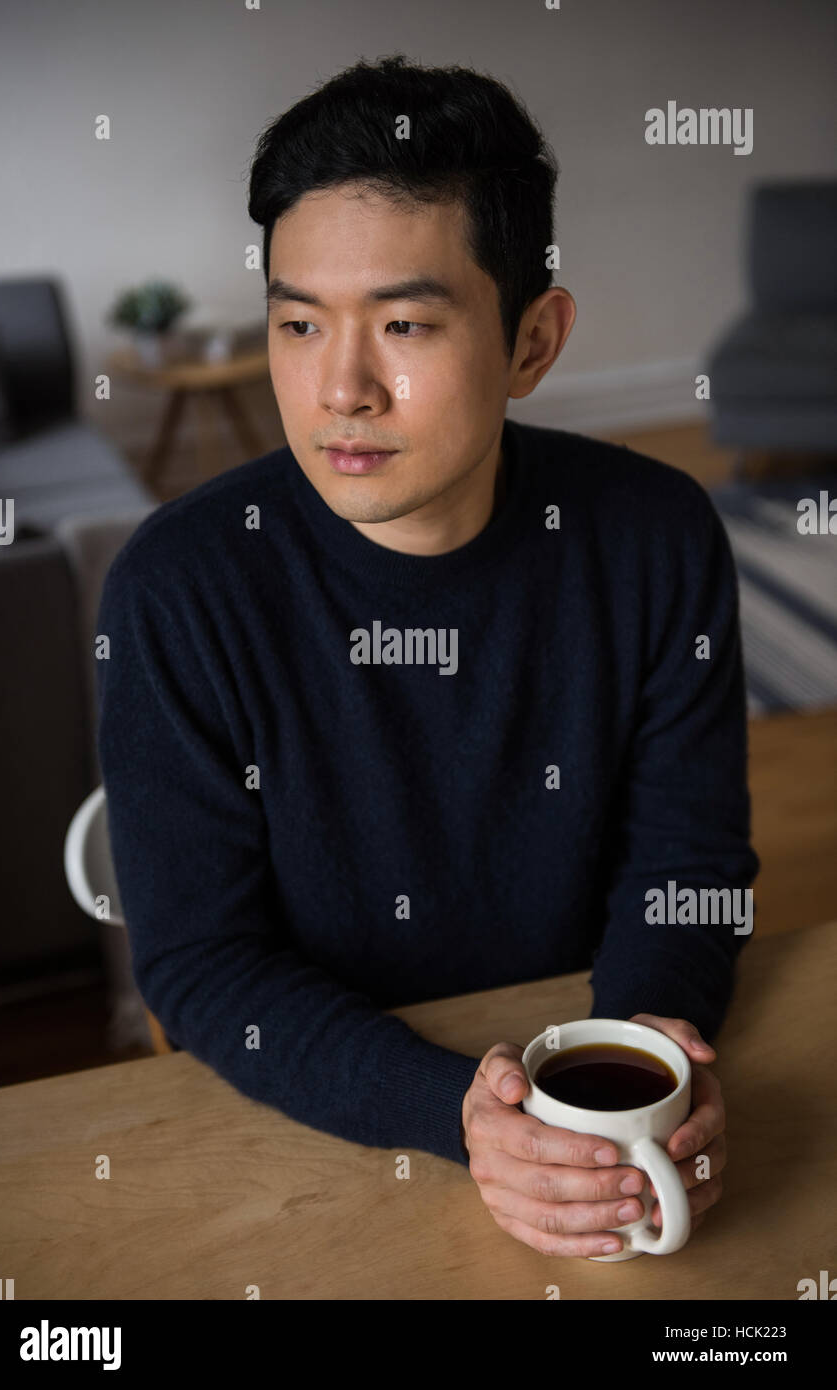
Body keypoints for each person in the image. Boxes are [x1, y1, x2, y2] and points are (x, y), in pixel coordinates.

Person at [96, 54, 758, 1259]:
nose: (339, 388)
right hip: (325, 1116)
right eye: (298, 324)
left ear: (533, 341)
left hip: (574, 1062)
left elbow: (690, 860)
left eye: (403, 324)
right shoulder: (179, 588)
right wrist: (454, 1112)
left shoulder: (655, 537)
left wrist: (645, 1066)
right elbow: (198, 962)